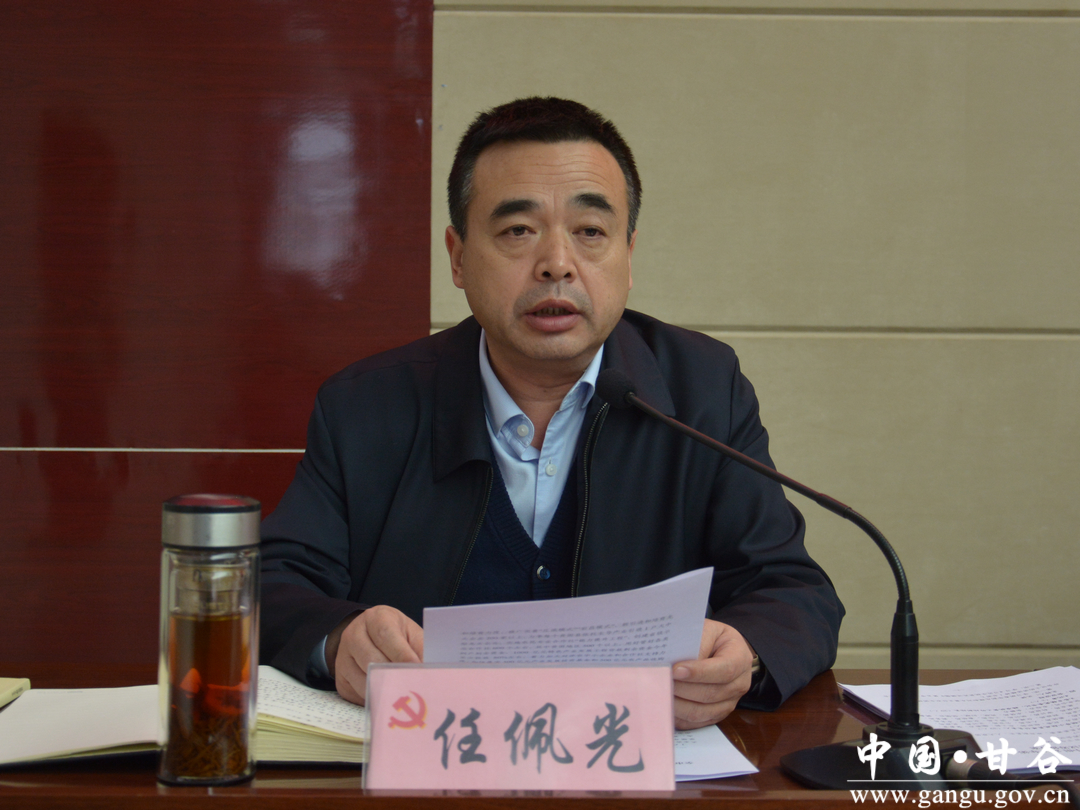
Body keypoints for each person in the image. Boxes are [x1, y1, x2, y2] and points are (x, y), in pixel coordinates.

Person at [260, 97, 843, 729]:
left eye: (591, 232)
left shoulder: (701, 391)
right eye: (518, 231)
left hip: (632, 763)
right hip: (430, 756)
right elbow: (271, 585)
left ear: (628, 253)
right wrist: (338, 638)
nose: (557, 264)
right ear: (457, 257)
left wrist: (744, 653)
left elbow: (793, 591)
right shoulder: (366, 406)